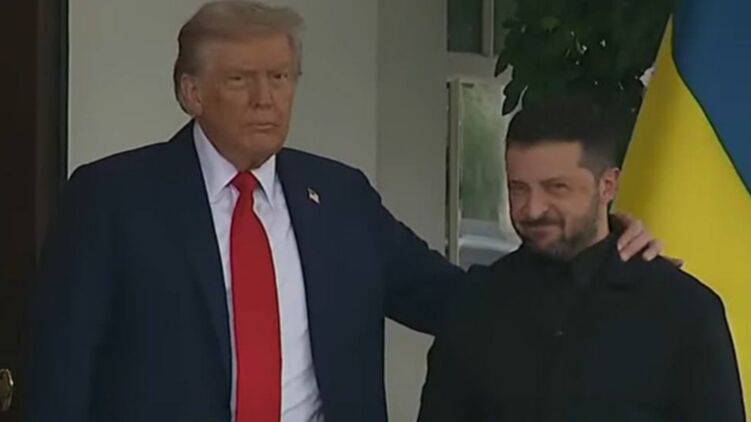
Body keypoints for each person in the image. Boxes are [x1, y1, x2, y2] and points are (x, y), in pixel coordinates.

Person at [26, 2, 660, 422]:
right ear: (192, 92)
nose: (267, 99)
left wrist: (595, 241)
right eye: (242, 80)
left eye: (281, 77)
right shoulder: (113, 198)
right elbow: (60, 373)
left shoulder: (340, 197)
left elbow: (457, 299)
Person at [417, 98, 745, 422]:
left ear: (607, 186)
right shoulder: (475, 304)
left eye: (556, 187)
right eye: (518, 188)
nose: (533, 209)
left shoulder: (684, 310)